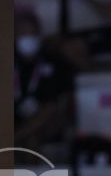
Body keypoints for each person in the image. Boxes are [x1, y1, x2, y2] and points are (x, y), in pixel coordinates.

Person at [14, 10, 74, 150]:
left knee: (32, 136)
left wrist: (17, 135)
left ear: (39, 36)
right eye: (22, 34)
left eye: (31, 34)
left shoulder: (55, 63)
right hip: (14, 118)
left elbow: (51, 106)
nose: (27, 38)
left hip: (47, 122)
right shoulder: (8, 61)